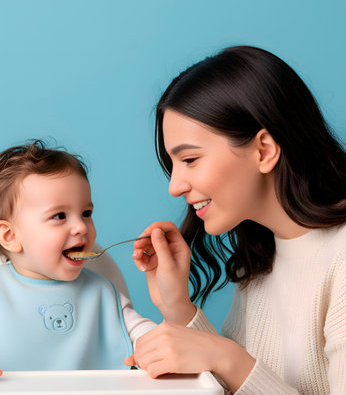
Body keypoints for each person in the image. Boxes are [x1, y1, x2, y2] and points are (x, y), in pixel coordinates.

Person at [124, 46, 346, 394]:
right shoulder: (263, 255)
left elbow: (236, 370)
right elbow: (234, 385)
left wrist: (228, 358)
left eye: (191, 160)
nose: (175, 186)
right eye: (174, 165)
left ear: (264, 150)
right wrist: (177, 306)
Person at [0, 139, 156, 385]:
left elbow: (144, 334)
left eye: (86, 213)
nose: (80, 227)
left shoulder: (103, 292)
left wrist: (152, 347)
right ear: (10, 236)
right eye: (59, 216)